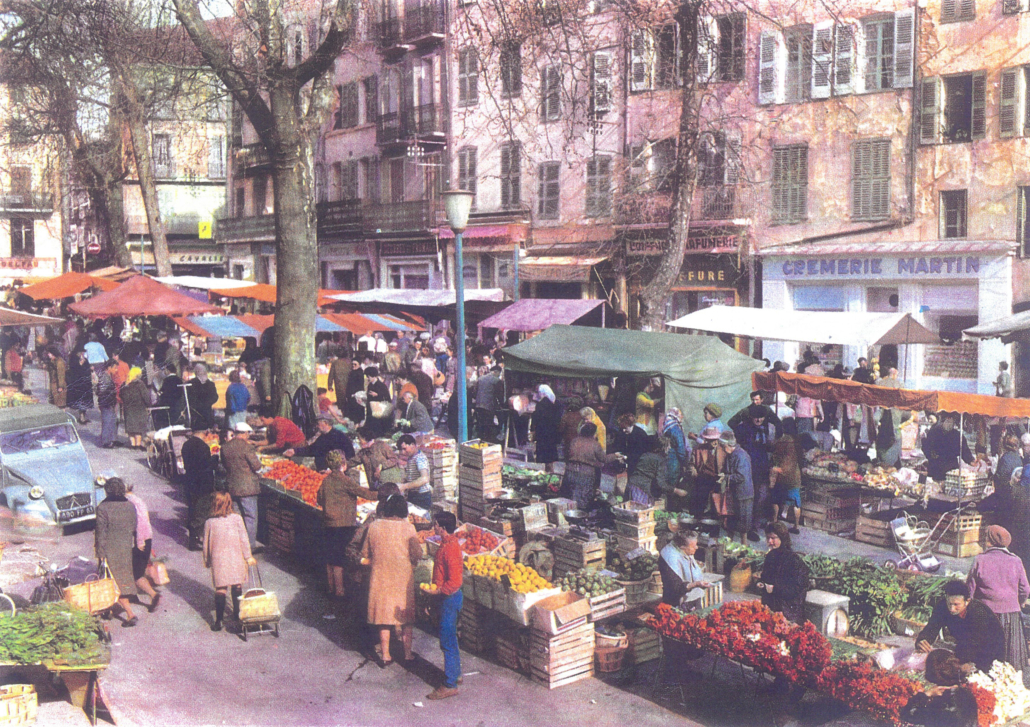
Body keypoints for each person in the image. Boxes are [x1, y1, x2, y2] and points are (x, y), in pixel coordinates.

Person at [360, 494, 422, 667]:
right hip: (403, 576)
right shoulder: (409, 528)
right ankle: (408, 654)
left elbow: (365, 553)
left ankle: (386, 655)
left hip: (380, 575)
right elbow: (417, 553)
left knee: (383, 616)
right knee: (406, 616)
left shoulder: (374, 526)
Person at [967, 525, 1030, 685]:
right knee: (1011, 655)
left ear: (989, 541)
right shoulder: (1016, 561)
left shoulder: (980, 560)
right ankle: (1011, 686)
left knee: (987, 655)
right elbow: (1025, 588)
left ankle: (986, 683)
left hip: (987, 614)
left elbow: (970, 589)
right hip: (1011, 614)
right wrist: (1020, 602)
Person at [916, 580, 1006, 683]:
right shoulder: (942, 607)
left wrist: (967, 663)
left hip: (990, 650)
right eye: (949, 604)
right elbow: (932, 627)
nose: (952, 609)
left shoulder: (979, 613)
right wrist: (923, 640)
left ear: (967, 601)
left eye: (956, 604)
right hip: (965, 645)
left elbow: (977, 642)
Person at [318, 449, 376, 602]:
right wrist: (383, 493)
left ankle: (331, 588)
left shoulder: (326, 480)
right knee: (339, 559)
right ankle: (340, 592)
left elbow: (319, 499)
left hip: (328, 524)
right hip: (343, 525)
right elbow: (365, 494)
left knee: (330, 558)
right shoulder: (345, 480)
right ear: (343, 464)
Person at [203, 491, 257, 632]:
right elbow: (244, 539)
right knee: (236, 585)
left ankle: (219, 621)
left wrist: (207, 560)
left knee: (220, 588)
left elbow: (206, 544)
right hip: (236, 558)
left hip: (218, 560)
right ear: (229, 502)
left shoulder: (209, 522)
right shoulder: (237, 519)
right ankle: (238, 615)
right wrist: (248, 556)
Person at [425, 510, 463, 700]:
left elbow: (455, 581)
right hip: (448, 598)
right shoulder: (448, 545)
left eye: (436, 525)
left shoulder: (450, 549)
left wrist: (437, 592)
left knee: (447, 640)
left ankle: (450, 684)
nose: (434, 527)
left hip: (449, 598)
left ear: (443, 527)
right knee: (451, 638)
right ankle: (455, 673)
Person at [95, 477, 139, 627]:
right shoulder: (130, 505)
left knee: (113, 582)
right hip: (126, 547)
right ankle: (110, 610)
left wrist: (100, 554)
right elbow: (134, 526)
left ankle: (130, 613)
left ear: (107, 490)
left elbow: (101, 533)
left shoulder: (103, 508)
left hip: (110, 549)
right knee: (122, 579)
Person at [755, 522, 809, 623]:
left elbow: (796, 590)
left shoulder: (794, 560)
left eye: (773, 538)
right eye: (768, 538)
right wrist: (761, 583)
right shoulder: (770, 556)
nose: (770, 542)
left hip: (789, 612)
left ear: (782, 538)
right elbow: (765, 578)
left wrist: (774, 589)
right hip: (771, 607)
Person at [221, 422, 263, 551]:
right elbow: (256, 466)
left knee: (236, 516)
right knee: (250, 517)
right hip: (248, 487)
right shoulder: (247, 447)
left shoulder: (225, 447)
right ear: (244, 434)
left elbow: (224, 465)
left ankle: (237, 543)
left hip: (232, 486)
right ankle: (250, 546)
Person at [734, 405, 776, 528]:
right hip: (747, 465)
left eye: (761, 417)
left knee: (760, 495)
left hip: (762, 465)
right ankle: (747, 524)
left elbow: (768, 447)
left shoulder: (766, 428)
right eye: (756, 418)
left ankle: (755, 521)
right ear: (751, 417)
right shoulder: (742, 428)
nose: (758, 420)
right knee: (748, 496)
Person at [562, 422, 619, 509]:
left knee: (569, 495)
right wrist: (615, 455)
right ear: (594, 433)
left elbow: (566, 454)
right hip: (585, 474)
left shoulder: (574, 441)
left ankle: (567, 515)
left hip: (570, 471)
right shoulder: (595, 444)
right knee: (582, 498)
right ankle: (579, 518)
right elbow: (604, 459)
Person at [124, 479, 160, 612]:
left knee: (136, 573)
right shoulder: (138, 500)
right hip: (147, 538)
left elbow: (139, 523)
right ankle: (132, 594)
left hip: (141, 540)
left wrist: (139, 542)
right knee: (136, 568)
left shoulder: (130, 502)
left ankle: (154, 595)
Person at [719, 430, 758, 543]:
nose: (721, 449)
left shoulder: (742, 456)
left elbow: (741, 476)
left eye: (722, 446)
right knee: (731, 521)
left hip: (744, 494)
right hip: (734, 493)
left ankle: (744, 547)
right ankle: (729, 544)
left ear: (727, 445)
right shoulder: (730, 455)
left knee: (743, 525)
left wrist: (726, 477)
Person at [181, 430, 216, 550]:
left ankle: (193, 538)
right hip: (202, 484)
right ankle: (196, 539)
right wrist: (214, 460)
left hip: (190, 482)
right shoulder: (203, 447)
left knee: (192, 509)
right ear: (205, 433)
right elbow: (205, 466)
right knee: (202, 511)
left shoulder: (186, 444)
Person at [658, 530, 710, 608]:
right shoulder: (670, 557)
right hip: (676, 601)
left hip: (692, 594)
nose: (696, 547)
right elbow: (676, 588)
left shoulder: (683, 549)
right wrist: (696, 584)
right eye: (693, 546)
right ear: (682, 547)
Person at [285, 415, 356, 470]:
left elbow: (350, 455)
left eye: (318, 424)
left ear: (325, 423)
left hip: (332, 472)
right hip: (322, 470)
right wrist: (295, 451)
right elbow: (312, 449)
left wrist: (335, 470)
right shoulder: (322, 436)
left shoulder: (338, 436)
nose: (317, 426)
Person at [770, 420, 802, 534]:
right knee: (796, 501)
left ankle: (774, 521)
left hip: (783, 474)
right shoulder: (798, 440)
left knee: (776, 500)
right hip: (795, 474)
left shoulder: (783, 440)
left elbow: (775, 454)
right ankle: (796, 526)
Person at [924, 413, 974, 481]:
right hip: (936, 468)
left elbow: (964, 451)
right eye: (947, 421)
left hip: (951, 470)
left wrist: (971, 461)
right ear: (943, 421)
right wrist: (931, 455)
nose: (949, 424)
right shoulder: (933, 432)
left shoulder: (958, 436)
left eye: (952, 422)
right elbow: (926, 447)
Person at [689, 426, 726, 517]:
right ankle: (699, 519)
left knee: (716, 505)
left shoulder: (723, 450)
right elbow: (691, 463)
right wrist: (693, 470)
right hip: (703, 478)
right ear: (706, 440)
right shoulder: (699, 449)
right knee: (699, 500)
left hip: (718, 479)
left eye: (716, 439)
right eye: (711, 440)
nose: (715, 442)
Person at [626, 436, 669, 506]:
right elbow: (660, 483)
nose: (669, 448)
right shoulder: (661, 460)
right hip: (641, 489)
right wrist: (675, 490)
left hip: (632, 484)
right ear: (663, 448)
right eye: (668, 446)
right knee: (638, 512)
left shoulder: (645, 455)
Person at [397, 434, 432, 511]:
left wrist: (404, 486)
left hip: (421, 496)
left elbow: (424, 478)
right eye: (401, 450)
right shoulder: (411, 457)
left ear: (412, 445)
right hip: (413, 494)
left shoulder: (420, 458)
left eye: (404, 449)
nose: (403, 452)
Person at [531, 385, 561, 472]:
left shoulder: (541, 404)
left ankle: (547, 471)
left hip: (542, 432)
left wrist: (533, 429)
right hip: (552, 432)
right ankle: (550, 470)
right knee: (550, 456)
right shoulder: (555, 403)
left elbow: (536, 418)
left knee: (544, 454)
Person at [662, 408, 691, 496]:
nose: (682, 416)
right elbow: (680, 449)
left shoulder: (666, 427)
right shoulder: (675, 429)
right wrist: (685, 463)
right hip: (674, 461)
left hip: (666, 460)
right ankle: (672, 507)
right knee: (673, 485)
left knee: (666, 484)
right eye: (680, 414)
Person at [121, 366, 151, 449]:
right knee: (138, 428)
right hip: (139, 409)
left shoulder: (125, 384)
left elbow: (121, 395)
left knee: (131, 428)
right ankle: (138, 444)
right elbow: (146, 396)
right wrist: (148, 405)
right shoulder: (140, 384)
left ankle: (132, 444)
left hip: (128, 409)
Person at [364, 367, 393, 439]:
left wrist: (378, 395)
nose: (368, 378)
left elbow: (387, 399)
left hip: (379, 412)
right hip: (371, 411)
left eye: (368, 376)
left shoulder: (382, 385)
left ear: (373, 376)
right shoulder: (370, 385)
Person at [97, 359, 119, 448]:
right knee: (107, 422)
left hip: (110, 402)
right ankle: (106, 441)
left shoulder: (108, 376)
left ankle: (113, 439)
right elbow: (102, 392)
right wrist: (109, 401)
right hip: (106, 403)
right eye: (115, 368)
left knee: (113, 421)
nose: (116, 370)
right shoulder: (104, 377)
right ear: (109, 368)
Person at [156, 364, 185, 429]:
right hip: (177, 403)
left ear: (168, 371)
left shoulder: (166, 380)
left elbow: (163, 391)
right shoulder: (179, 380)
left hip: (168, 404)